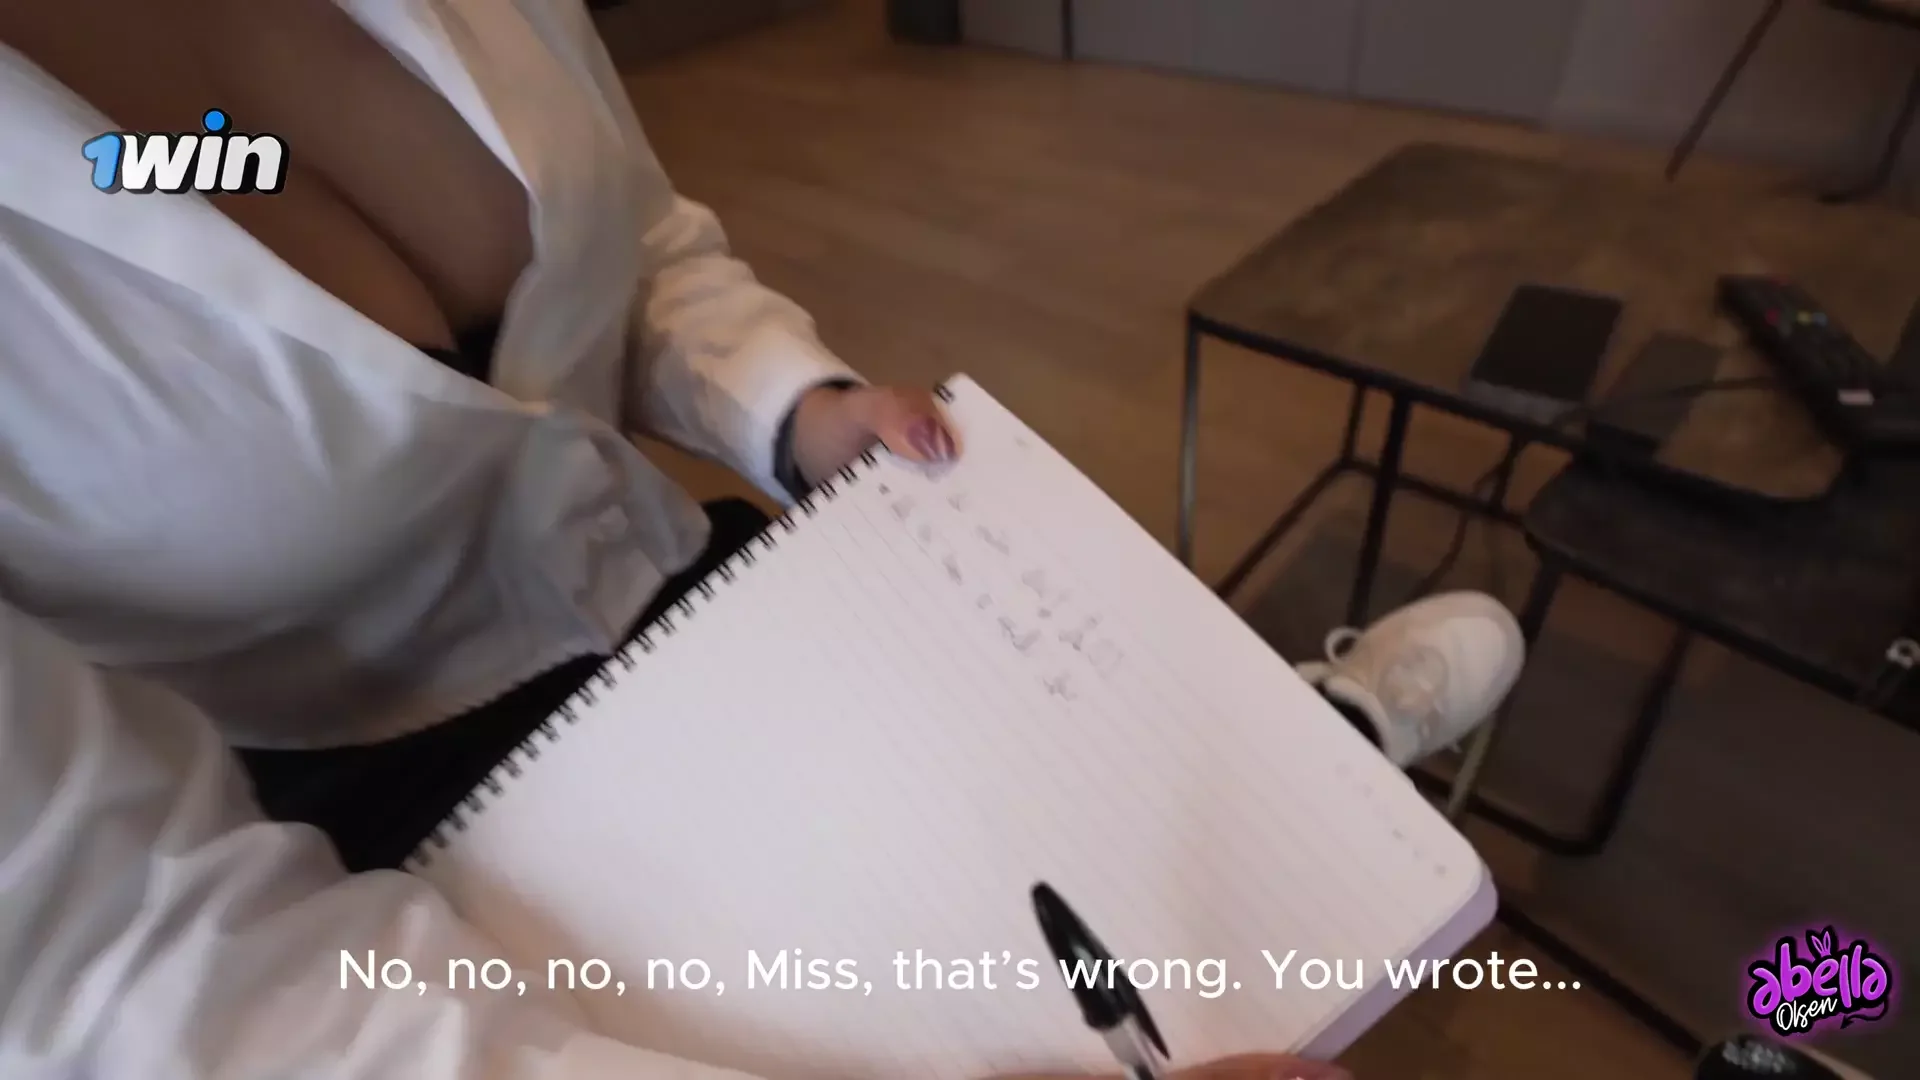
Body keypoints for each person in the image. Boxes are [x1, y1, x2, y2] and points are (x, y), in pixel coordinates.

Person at [0, 2, 1354, 1077]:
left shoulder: (210, 130)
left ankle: (1343, 732)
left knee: (1171, 908)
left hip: (692, 595)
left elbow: (632, 242)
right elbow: (113, 977)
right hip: (387, 827)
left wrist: (792, 409)